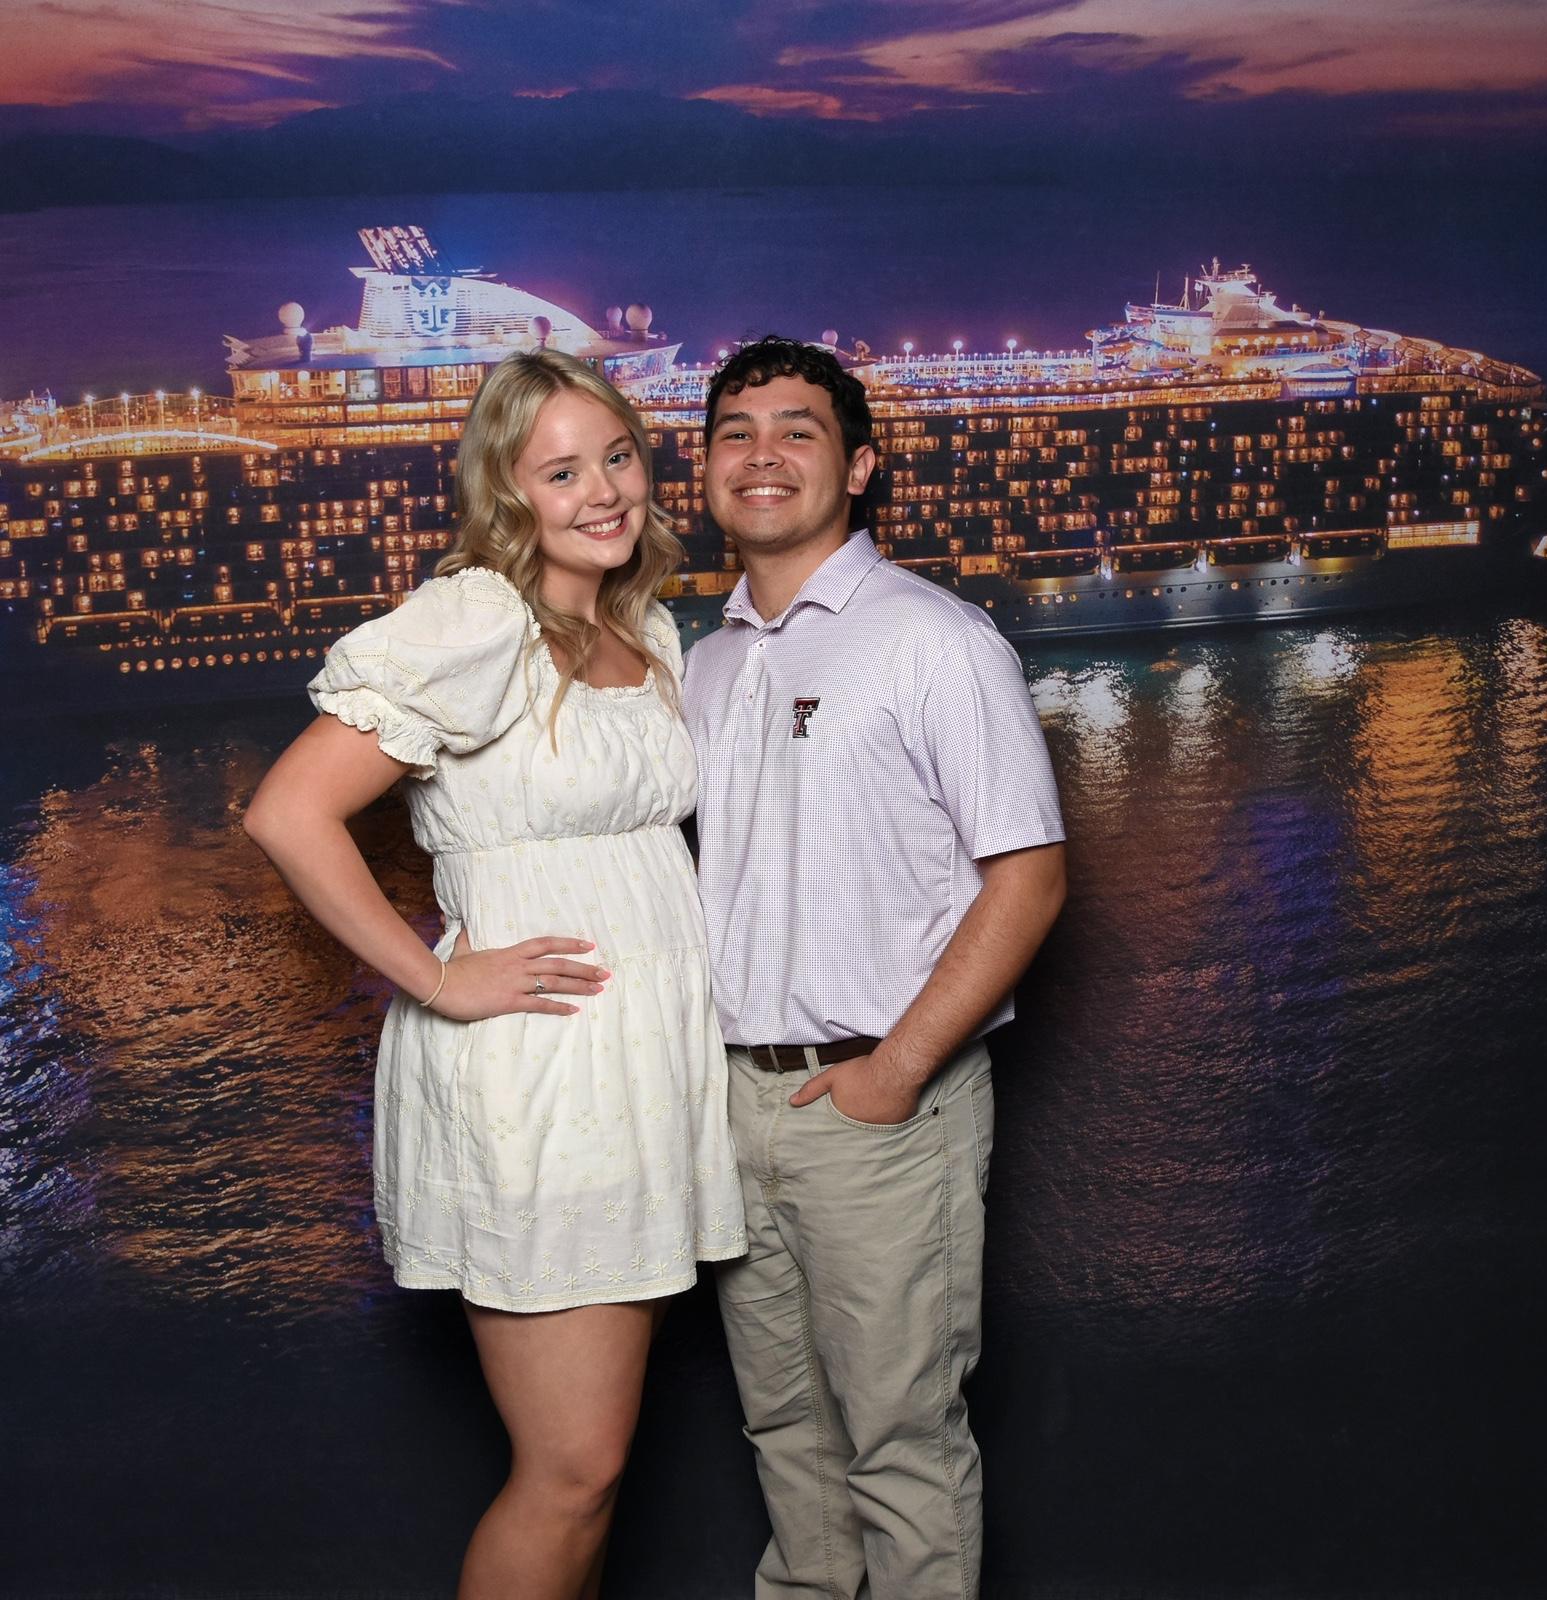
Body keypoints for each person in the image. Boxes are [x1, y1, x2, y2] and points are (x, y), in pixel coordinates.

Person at [243, 350, 745, 1600]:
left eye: (617, 457)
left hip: (640, 1074)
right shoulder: (479, 619)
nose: (602, 492)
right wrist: (437, 980)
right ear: (506, 491)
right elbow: (289, 812)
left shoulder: (642, 624)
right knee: (571, 1469)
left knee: (597, 1474)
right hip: (540, 1074)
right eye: (560, 472)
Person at [683, 337, 1068, 1599]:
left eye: (796, 431)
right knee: (786, 1431)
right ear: (705, 468)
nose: (762, 455)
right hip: (737, 1103)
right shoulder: (710, 659)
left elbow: (1028, 877)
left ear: (857, 467)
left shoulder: (931, 638)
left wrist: (896, 1071)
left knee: (900, 1442)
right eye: (735, 432)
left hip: (878, 1107)